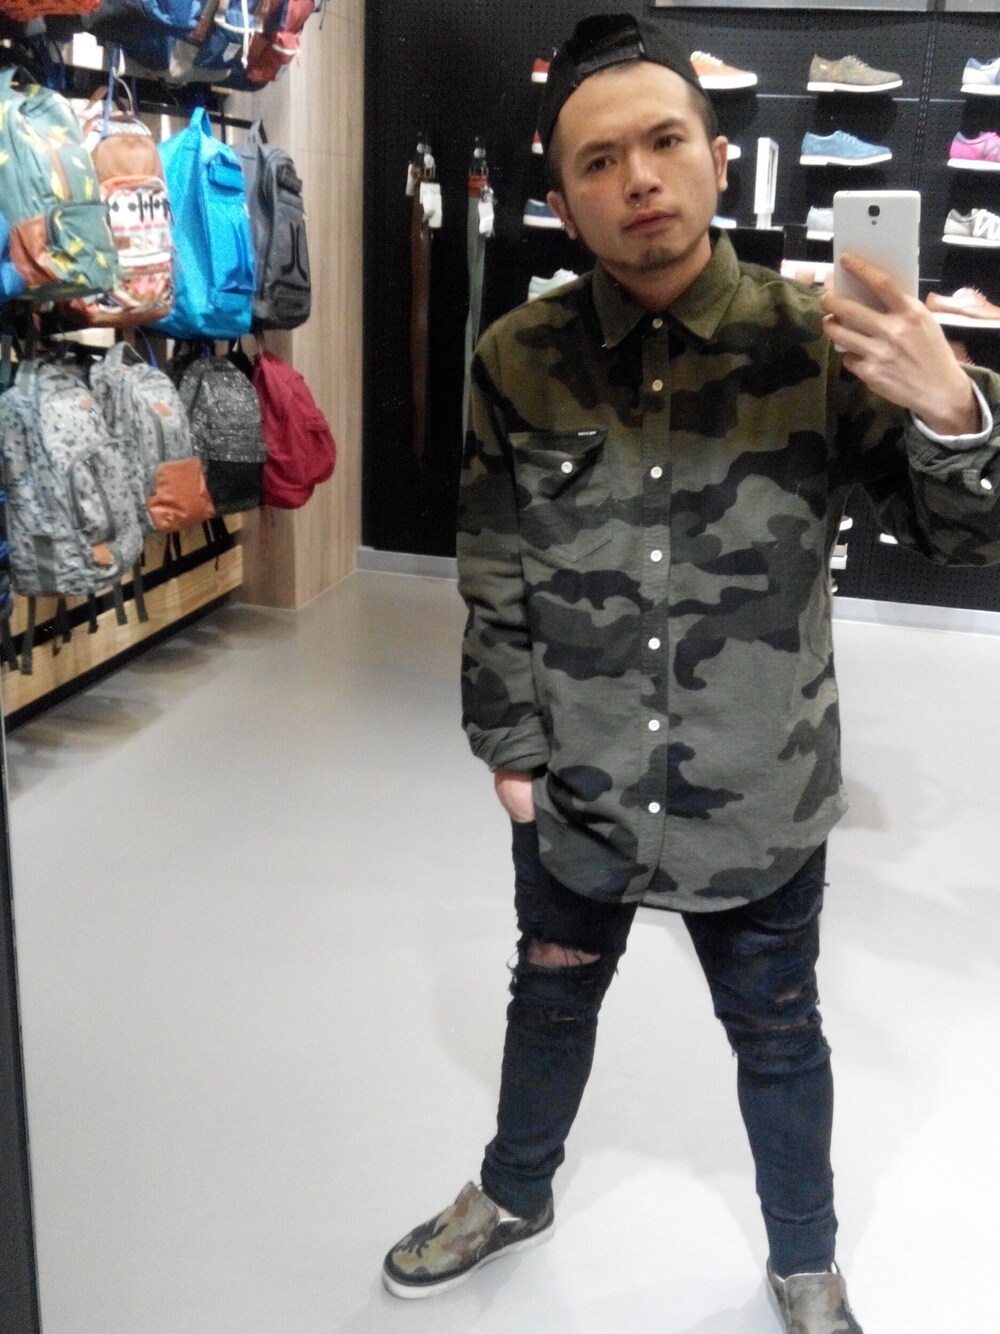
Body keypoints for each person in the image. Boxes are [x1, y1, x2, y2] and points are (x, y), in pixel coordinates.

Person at [382, 13, 1000, 1332]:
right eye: (599, 161)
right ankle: (515, 1189)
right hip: (582, 783)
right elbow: (494, 565)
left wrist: (951, 409)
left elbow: (964, 538)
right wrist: (510, 749)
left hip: (760, 787)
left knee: (779, 1033)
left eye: (664, 142)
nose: (639, 180)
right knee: (550, 994)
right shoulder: (518, 359)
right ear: (563, 202)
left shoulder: (821, 341)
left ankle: (805, 1257)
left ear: (720, 158)